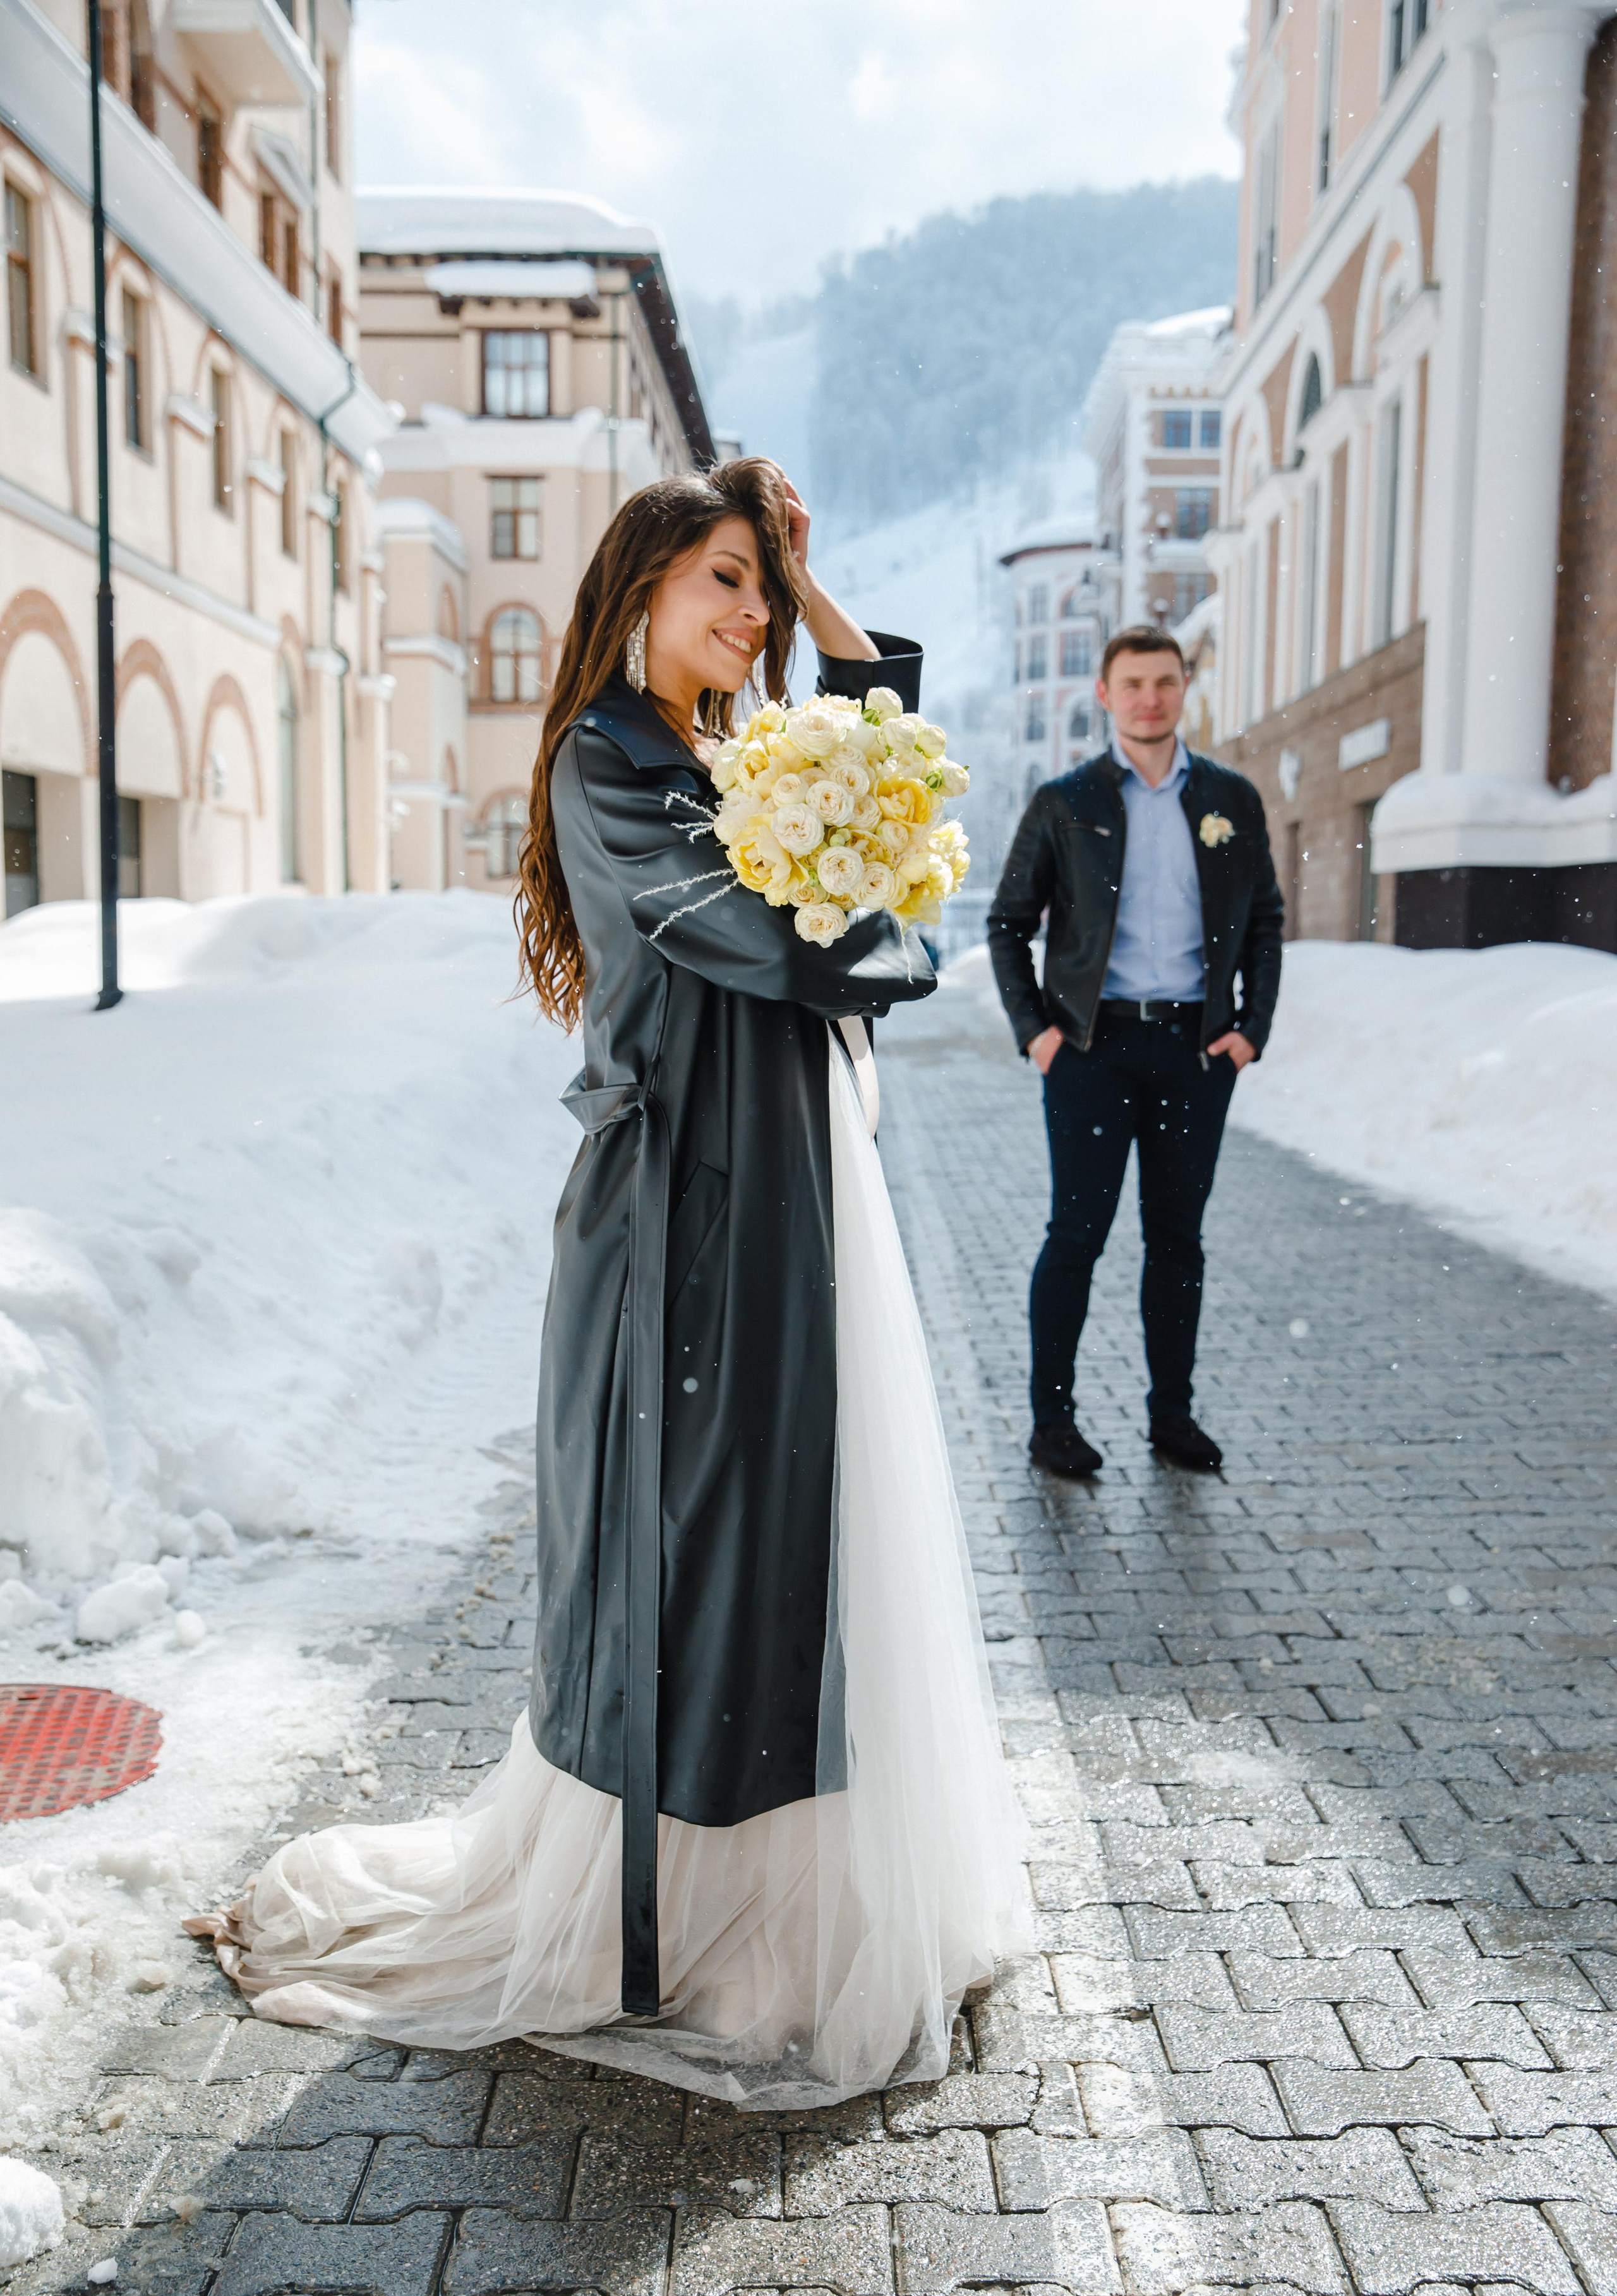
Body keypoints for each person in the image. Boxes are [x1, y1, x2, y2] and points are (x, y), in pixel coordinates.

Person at [189, 459, 1025, 2110]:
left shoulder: (731, 754)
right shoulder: (610, 759)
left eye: (761, 591)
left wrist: (808, 571)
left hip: (787, 1193)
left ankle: (780, 1911)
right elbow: (786, 945)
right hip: (683, 1218)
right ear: (640, 585)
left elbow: (877, 760)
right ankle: (676, 1929)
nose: (751, 615)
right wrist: (891, 933)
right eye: (722, 578)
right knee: (688, 1555)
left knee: (785, 1543)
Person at [987, 625, 1283, 1480]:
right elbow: (1008, 924)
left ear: (1185, 687)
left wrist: (1251, 1029)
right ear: (1106, 695)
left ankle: (1171, 1416)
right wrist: (1039, 1033)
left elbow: (1266, 919)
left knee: (1178, 1241)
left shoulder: (1230, 797)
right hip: (1092, 1049)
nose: (1149, 699)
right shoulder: (1066, 800)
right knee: (1076, 1235)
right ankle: (1053, 1422)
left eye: (1164, 682)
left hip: (1196, 1052)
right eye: (1133, 684)